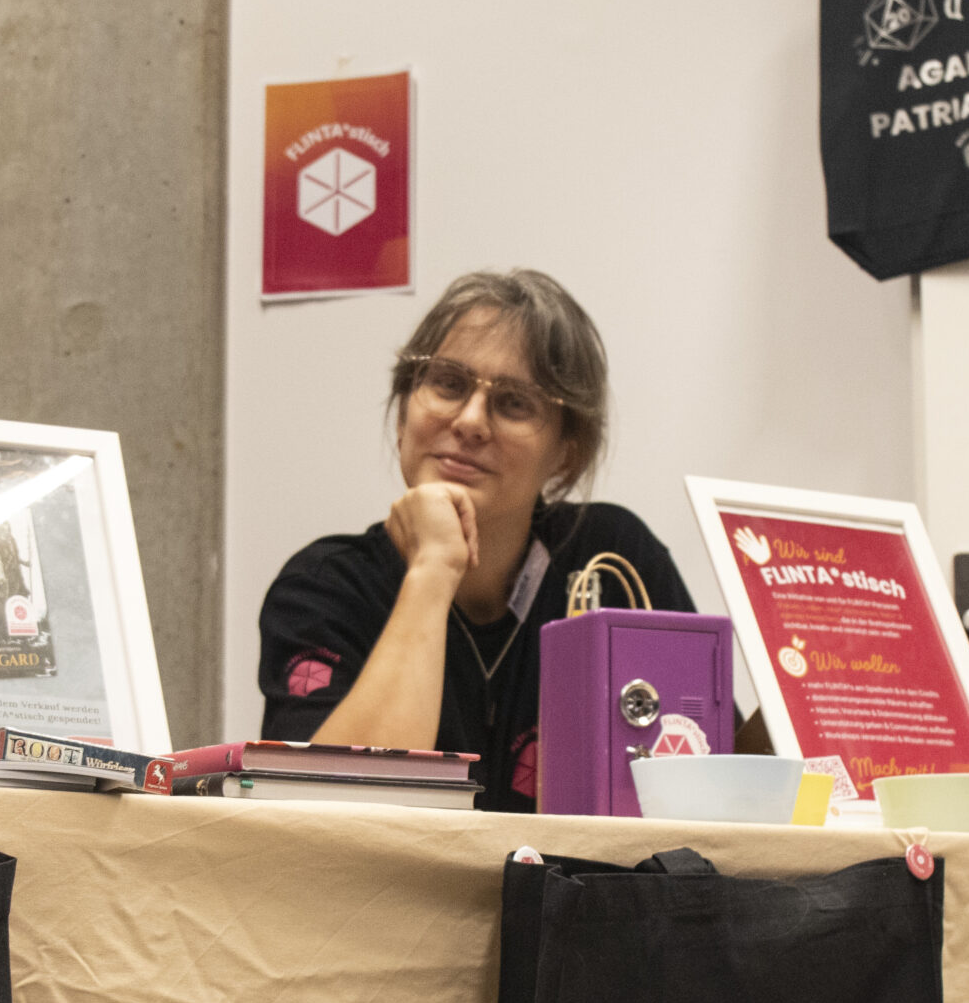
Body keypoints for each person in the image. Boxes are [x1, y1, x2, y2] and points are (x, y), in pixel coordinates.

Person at [258, 269, 694, 811]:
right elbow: (331, 814)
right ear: (403, 412)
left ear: (567, 453)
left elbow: (712, 774)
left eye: (514, 403)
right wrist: (434, 569)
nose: (470, 421)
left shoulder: (614, 562)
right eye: (447, 383)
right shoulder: (325, 587)